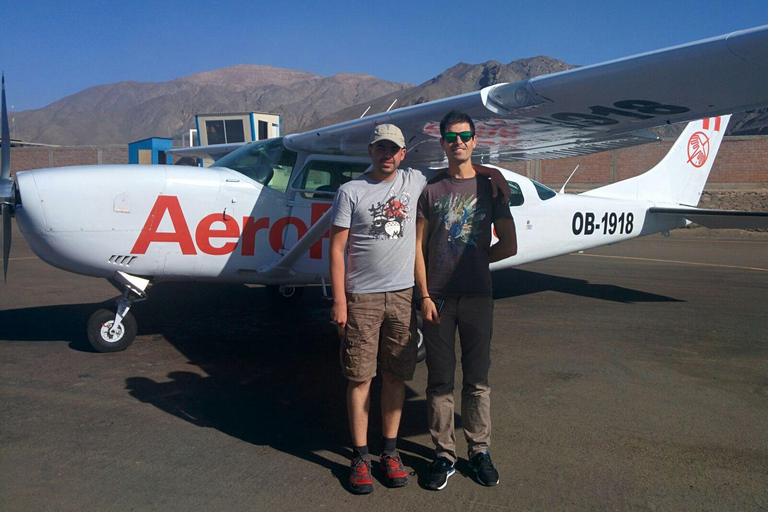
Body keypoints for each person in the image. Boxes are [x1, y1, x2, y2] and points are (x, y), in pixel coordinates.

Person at [330, 123, 509, 495]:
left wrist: (493, 172)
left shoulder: (417, 179)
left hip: (411, 295)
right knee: (366, 378)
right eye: (380, 148)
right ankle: (366, 456)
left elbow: (463, 170)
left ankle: (402, 452)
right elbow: (337, 248)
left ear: (402, 153)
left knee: (407, 376)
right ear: (370, 151)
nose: (386, 154)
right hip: (376, 296)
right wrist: (339, 300)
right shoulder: (354, 191)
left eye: (393, 149)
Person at [414, 109, 518, 490]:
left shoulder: (491, 188)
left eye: (465, 136)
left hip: (477, 298)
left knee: (477, 381)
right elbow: (418, 248)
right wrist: (423, 293)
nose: (458, 142)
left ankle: (479, 450)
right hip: (437, 300)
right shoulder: (431, 190)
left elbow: (508, 245)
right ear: (442, 143)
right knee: (439, 382)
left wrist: (471, 263)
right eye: (451, 137)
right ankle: (444, 454)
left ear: (475, 140)